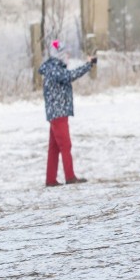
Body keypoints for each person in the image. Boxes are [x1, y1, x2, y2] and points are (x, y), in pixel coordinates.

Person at [38, 40, 96, 187]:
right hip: (58, 113)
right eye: (64, 53)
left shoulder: (53, 68)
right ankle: (70, 177)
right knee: (65, 145)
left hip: (56, 113)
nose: (67, 56)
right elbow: (70, 76)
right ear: (58, 55)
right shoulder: (54, 69)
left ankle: (50, 180)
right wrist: (88, 65)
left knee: (54, 148)